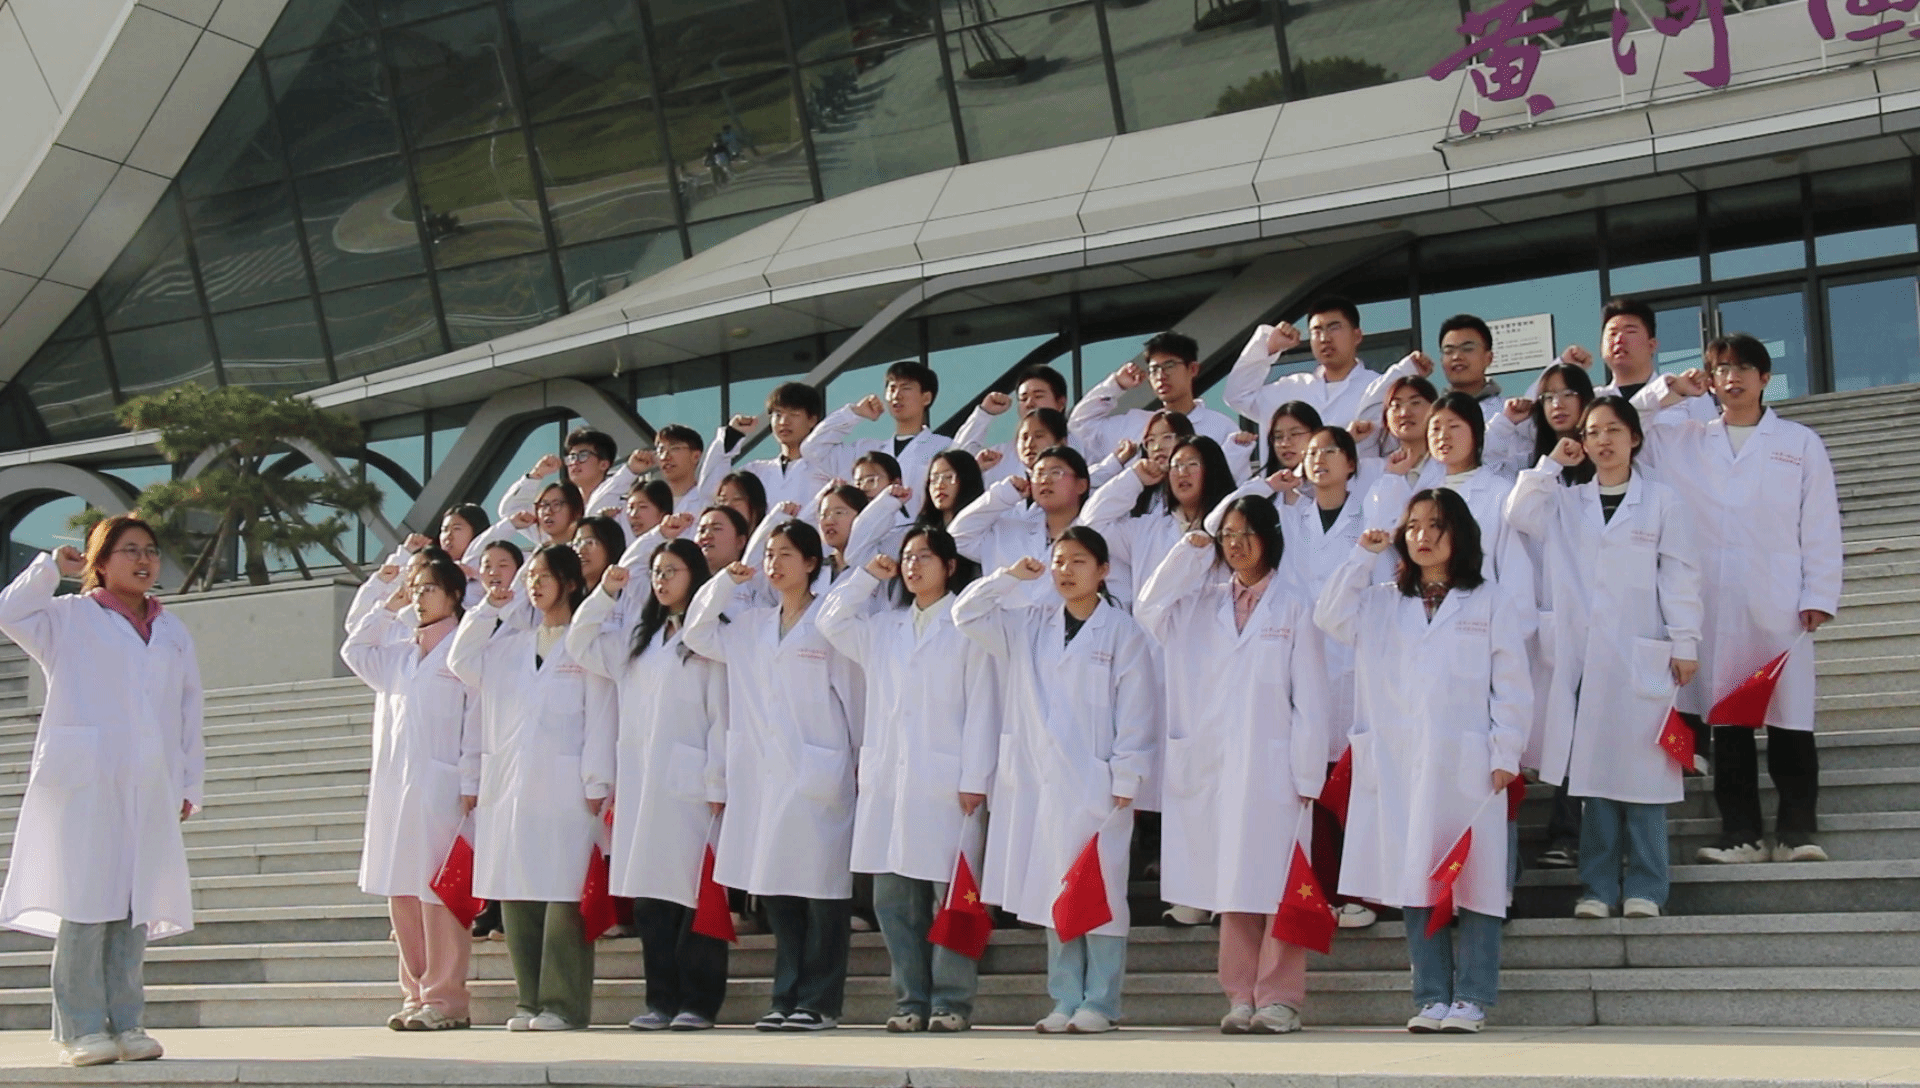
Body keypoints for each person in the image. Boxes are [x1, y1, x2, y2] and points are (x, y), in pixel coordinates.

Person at [1313, 490, 1530, 1034]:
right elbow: (1329, 615)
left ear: (1460, 534)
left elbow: (1511, 685)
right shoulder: (1381, 602)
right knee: (1416, 875)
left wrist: (1506, 751)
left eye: (1436, 524)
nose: (1423, 535)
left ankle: (1472, 998)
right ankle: (1432, 996)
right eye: (1413, 525)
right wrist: (1361, 555)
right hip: (1399, 761)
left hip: (1470, 761)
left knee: (1476, 879)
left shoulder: (1490, 600)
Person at [0, 516, 201, 1067]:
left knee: (134, 904)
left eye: (150, 550)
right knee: (86, 901)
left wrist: (189, 781)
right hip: (86, 780)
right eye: (129, 550)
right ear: (101, 561)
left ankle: (127, 1023)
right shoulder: (68, 617)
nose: (144, 560)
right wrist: (49, 570)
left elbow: (189, 709)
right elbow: (9, 612)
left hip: (150, 782)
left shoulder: (172, 630)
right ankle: (81, 1028)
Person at [1638, 334, 1843, 863]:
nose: (1733, 377)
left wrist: (1819, 592)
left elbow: (1820, 521)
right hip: (1713, 603)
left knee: (1790, 719)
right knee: (1727, 720)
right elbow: (1627, 425)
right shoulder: (1685, 439)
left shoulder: (1798, 442)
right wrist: (1669, 390)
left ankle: (1797, 831)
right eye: (1722, 369)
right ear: (1710, 380)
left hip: (1779, 600)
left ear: (1765, 378)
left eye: (1744, 368)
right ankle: (1742, 835)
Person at [1134, 499, 1329, 1035]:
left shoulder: (1294, 605)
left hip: (1276, 766)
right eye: (1227, 535)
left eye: (1246, 533)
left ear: (1270, 537)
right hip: (1215, 765)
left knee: (1278, 882)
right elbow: (1148, 606)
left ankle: (1280, 998)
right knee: (1233, 881)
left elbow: (1311, 698)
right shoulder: (1200, 604)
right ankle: (1240, 994)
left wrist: (1308, 773)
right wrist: (1188, 550)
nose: (1236, 544)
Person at [953, 527, 1158, 1035]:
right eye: (1059, 560)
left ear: (1103, 571)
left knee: (1100, 892)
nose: (1066, 570)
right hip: (1041, 783)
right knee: (1053, 889)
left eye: (1079, 561)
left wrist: (1126, 774)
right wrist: (1008, 577)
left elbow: (1137, 711)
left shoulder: (1123, 633)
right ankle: (1065, 999)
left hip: (1098, 783)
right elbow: (967, 614)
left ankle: (1102, 1002)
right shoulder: (1030, 623)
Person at [1506, 397, 1703, 919]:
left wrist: (1685, 641)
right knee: (1593, 777)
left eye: (1614, 430)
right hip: (1584, 660)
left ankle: (1647, 887)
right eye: (1592, 432)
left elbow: (1679, 574)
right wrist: (1551, 464)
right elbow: (1518, 514)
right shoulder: (1567, 501)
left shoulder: (1661, 500)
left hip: (1647, 656)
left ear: (1634, 437)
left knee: (1646, 775)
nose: (1603, 440)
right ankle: (1597, 888)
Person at [817, 528, 997, 1033]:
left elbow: (984, 704)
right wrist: (865, 577)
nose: (913, 566)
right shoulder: (884, 628)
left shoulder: (966, 624)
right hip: (890, 782)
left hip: (948, 783)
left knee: (951, 898)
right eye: (907, 558)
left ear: (950, 566)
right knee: (893, 900)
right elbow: (830, 619)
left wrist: (976, 776)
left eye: (925, 557)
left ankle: (952, 1001)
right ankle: (910, 1000)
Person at [684, 520, 860, 1032]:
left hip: (821, 770)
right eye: (769, 555)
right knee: (779, 892)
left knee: (822, 894)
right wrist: (724, 582)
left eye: (786, 554)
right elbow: (697, 630)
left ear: (811, 562)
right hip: (766, 777)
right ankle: (785, 996)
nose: (774, 563)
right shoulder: (751, 626)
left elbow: (855, 699)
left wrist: (856, 761)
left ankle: (820, 1002)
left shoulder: (829, 623)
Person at [448, 544, 611, 1032]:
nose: (534, 585)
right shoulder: (509, 646)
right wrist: (488, 608)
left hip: (568, 787)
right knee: (516, 892)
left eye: (544, 576)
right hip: (511, 785)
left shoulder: (586, 643)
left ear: (571, 583)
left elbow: (601, 716)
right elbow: (461, 660)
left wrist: (597, 779)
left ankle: (564, 1005)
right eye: (530, 577)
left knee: (563, 895)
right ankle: (530, 1001)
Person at [568, 539, 730, 1031]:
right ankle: (660, 1000)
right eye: (657, 571)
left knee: (693, 894)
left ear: (695, 575)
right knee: (651, 898)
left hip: (693, 785)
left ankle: (699, 1001)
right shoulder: (637, 639)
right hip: (643, 785)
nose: (662, 580)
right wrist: (605, 593)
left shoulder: (710, 639)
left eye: (672, 570)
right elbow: (580, 641)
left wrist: (717, 780)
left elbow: (722, 716)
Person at [341, 548, 480, 1031]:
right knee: (401, 888)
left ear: (455, 595)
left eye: (430, 589)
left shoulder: (462, 649)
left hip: (443, 787)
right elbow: (354, 650)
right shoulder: (399, 654)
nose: (420, 598)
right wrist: (387, 600)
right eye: (416, 590)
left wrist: (470, 779)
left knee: (437, 892)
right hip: (397, 789)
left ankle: (447, 998)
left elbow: (476, 721)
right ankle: (415, 993)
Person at [1078, 434, 1238, 606]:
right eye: (1175, 465)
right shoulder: (1148, 531)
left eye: (1192, 464)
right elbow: (1091, 524)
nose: (1182, 472)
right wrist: (1133, 478)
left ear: (1213, 470)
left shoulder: (1232, 531)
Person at [1071, 333, 1254, 477]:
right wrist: (1116, 385)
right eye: (1154, 369)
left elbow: (1235, 482)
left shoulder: (1221, 426)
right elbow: (1080, 425)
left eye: (1169, 365)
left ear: (1193, 369)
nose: (1161, 375)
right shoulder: (1135, 423)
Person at [1226, 296, 1390, 456]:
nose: (1325, 338)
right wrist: (1269, 347)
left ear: (1357, 336)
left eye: (1334, 328)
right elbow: (1238, 396)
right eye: (1317, 331)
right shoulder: (1293, 388)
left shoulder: (1380, 389)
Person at [948, 445, 1094, 609]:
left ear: (1081, 485)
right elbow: (958, 537)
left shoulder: (1097, 536)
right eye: (1038, 474)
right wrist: (1004, 494)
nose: (1045, 480)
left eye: (1056, 472)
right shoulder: (1006, 533)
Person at [803, 361, 948, 512]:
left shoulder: (944, 448)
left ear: (926, 398)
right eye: (892, 388)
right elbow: (812, 449)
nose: (896, 395)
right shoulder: (867, 452)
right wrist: (854, 413)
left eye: (906, 388)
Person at [710, 383, 834, 515]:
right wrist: (732, 435)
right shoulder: (756, 471)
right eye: (778, 415)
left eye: (794, 414)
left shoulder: (829, 467)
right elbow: (712, 492)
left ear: (812, 420)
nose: (783, 422)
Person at [499, 428, 645, 532]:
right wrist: (536, 475)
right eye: (572, 457)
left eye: (583, 456)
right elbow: (510, 510)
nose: (575, 462)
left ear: (604, 464)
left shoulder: (625, 508)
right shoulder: (558, 511)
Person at [954, 364, 1074, 484]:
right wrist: (984, 413)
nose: (1029, 403)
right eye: (1023, 398)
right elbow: (957, 462)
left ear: (1061, 403)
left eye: (1038, 396)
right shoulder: (999, 457)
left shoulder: (1078, 442)